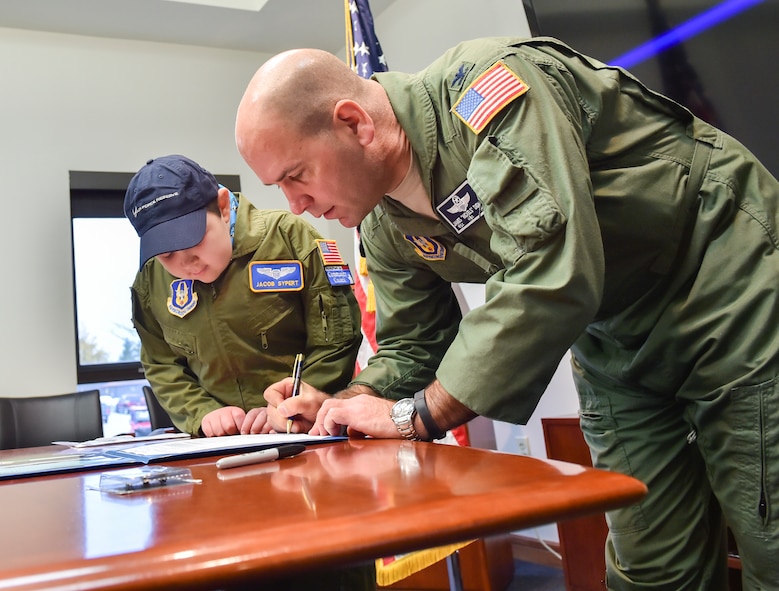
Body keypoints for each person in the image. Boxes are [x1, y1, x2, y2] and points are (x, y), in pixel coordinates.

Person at [235, 37, 779, 590]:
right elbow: (412, 344)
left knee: (770, 533)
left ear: (355, 123)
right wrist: (345, 405)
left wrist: (419, 415)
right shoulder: (381, 220)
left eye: (296, 175)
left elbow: (548, 268)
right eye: (277, 188)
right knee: (651, 564)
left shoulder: (489, 90)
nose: (294, 205)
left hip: (724, 274)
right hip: (614, 332)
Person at [124, 154, 362, 438]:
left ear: (223, 208)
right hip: (221, 446)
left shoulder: (290, 239)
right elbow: (160, 363)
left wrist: (290, 405)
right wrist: (202, 412)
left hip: (307, 432)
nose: (187, 263)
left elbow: (336, 340)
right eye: (167, 254)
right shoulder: (151, 281)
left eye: (194, 240)